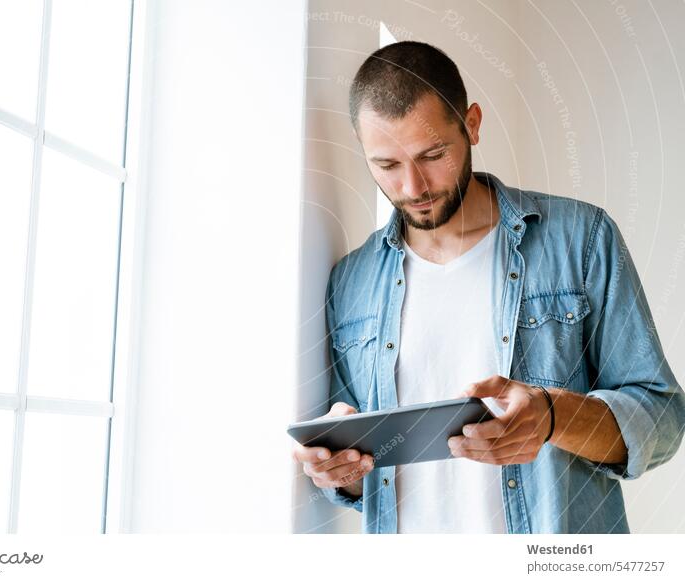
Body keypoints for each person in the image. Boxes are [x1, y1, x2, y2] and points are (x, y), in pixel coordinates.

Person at [292, 41, 685, 534]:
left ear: (472, 123)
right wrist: (341, 474)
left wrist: (552, 417)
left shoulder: (580, 240)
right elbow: (361, 473)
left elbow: (663, 418)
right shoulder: (350, 282)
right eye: (387, 165)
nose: (413, 187)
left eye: (432, 154)